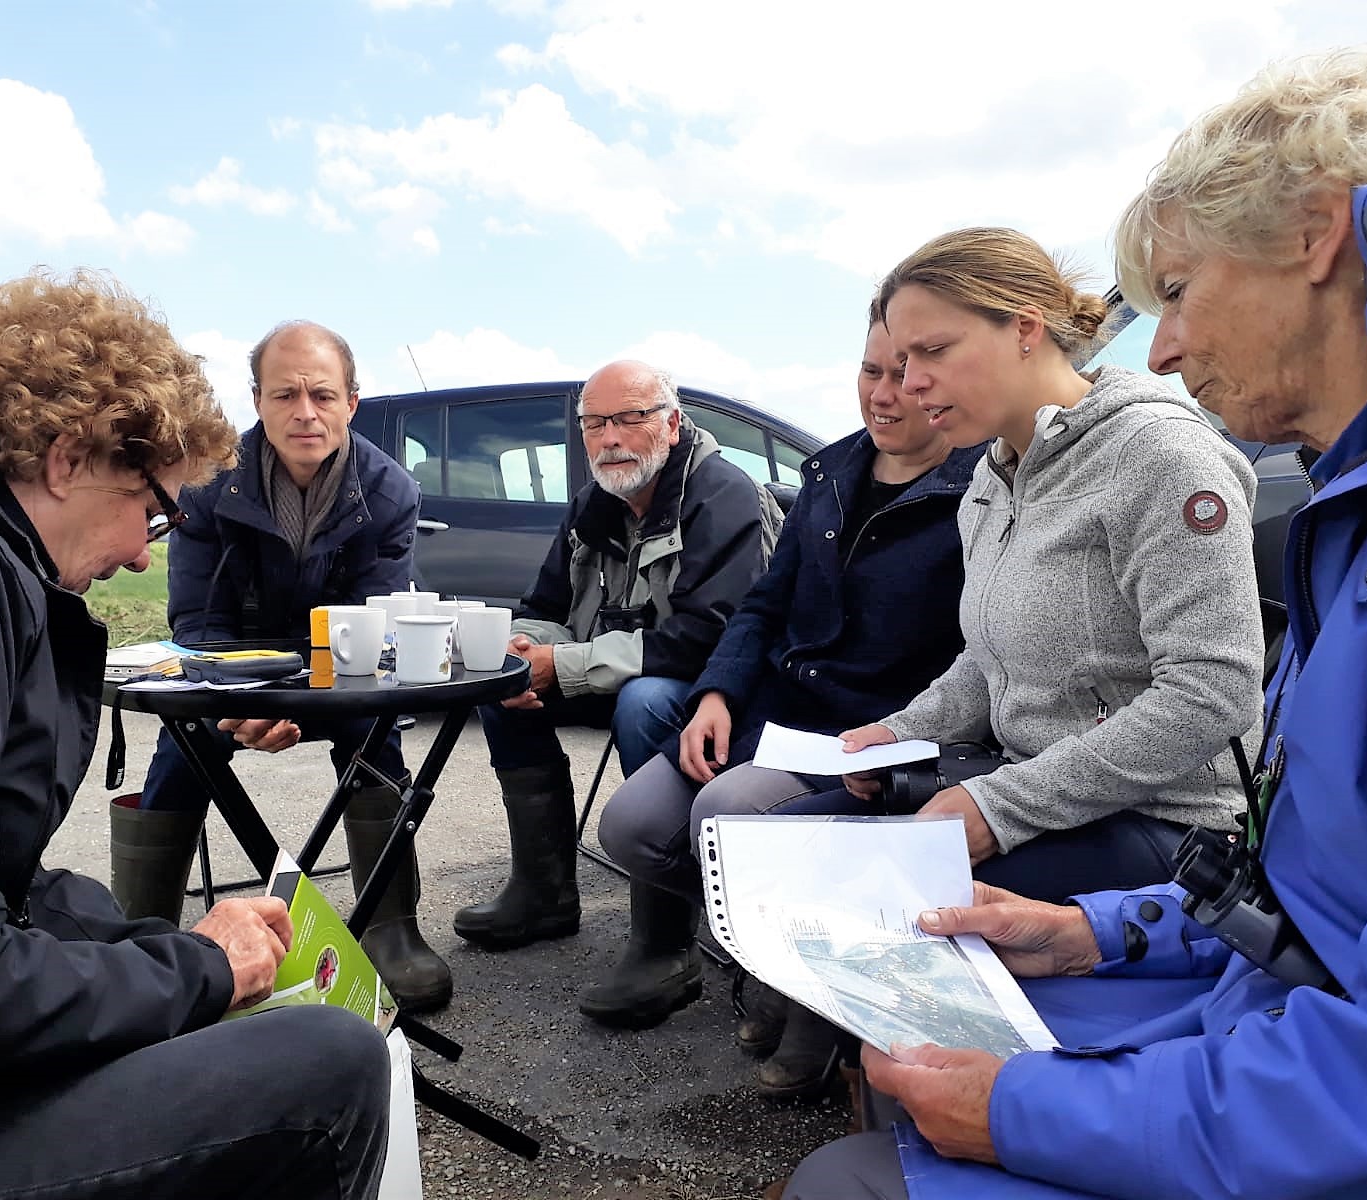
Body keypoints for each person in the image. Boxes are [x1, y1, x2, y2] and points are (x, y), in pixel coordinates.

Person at [785, 47, 1367, 1200]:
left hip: (1178, 860)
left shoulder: (1174, 457)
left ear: (1319, 235)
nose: (1159, 346)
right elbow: (1312, 891)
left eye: (1175, 291)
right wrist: (1102, 933)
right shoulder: (1349, 511)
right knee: (893, 978)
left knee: (849, 1165)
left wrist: (1026, 1109)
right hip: (1242, 972)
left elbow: (1211, 700)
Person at [0, 272, 389, 1199]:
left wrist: (149, 947)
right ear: (69, 457)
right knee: (329, 1067)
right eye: (151, 509)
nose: (141, 554)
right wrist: (194, 970)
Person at [760, 225, 1267, 1106]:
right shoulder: (993, 475)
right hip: (1040, 789)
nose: (910, 383)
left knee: (870, 899)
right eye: (900, 358)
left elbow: (1213, 690)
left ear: (1025, 327)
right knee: (799, 844)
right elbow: (983, 661)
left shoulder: (1158, 455)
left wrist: (998, 806)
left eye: (933, 352)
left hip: (1172, 824)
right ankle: (881, 1101)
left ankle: (915, 1120)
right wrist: (896, 733)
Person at [577, 304, 985, 1094]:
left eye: (905, 372)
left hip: (882, 730)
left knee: (722, 814)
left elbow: (979, 650)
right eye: (872, 370)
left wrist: (907, 733)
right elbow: (763, 605)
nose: (886, 392)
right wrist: (718, 693)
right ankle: (773, 955)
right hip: (781, 711)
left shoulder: (977, 489)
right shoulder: (831, 474)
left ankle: (813, 999)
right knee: (630, 826)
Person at [115, 319, 452, 1014]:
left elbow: (375, 622)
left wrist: (297, 697)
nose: (306, 413)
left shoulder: (389, 491)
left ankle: (392, 932)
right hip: (232, 672)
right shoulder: (208, 486)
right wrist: (250, 696)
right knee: (179, 746)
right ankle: (138, 938)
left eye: (323, 395)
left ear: (352, 402)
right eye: (286, 394)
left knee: (375, 740)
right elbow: (196, 624)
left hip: (335, 671)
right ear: (258, 400)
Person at [453, 360, 785, 951]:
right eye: (595, 423)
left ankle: (663, 940)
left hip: (712, 688)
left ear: (673, 423)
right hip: (617, 666)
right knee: (502, 690)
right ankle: (544, 895)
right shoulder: (593, 502)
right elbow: (544, 602)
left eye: (632, 417)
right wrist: (522, 648)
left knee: (644, 701)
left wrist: (569, 666)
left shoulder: (723, 495)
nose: (611, 439)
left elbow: (708, 638)